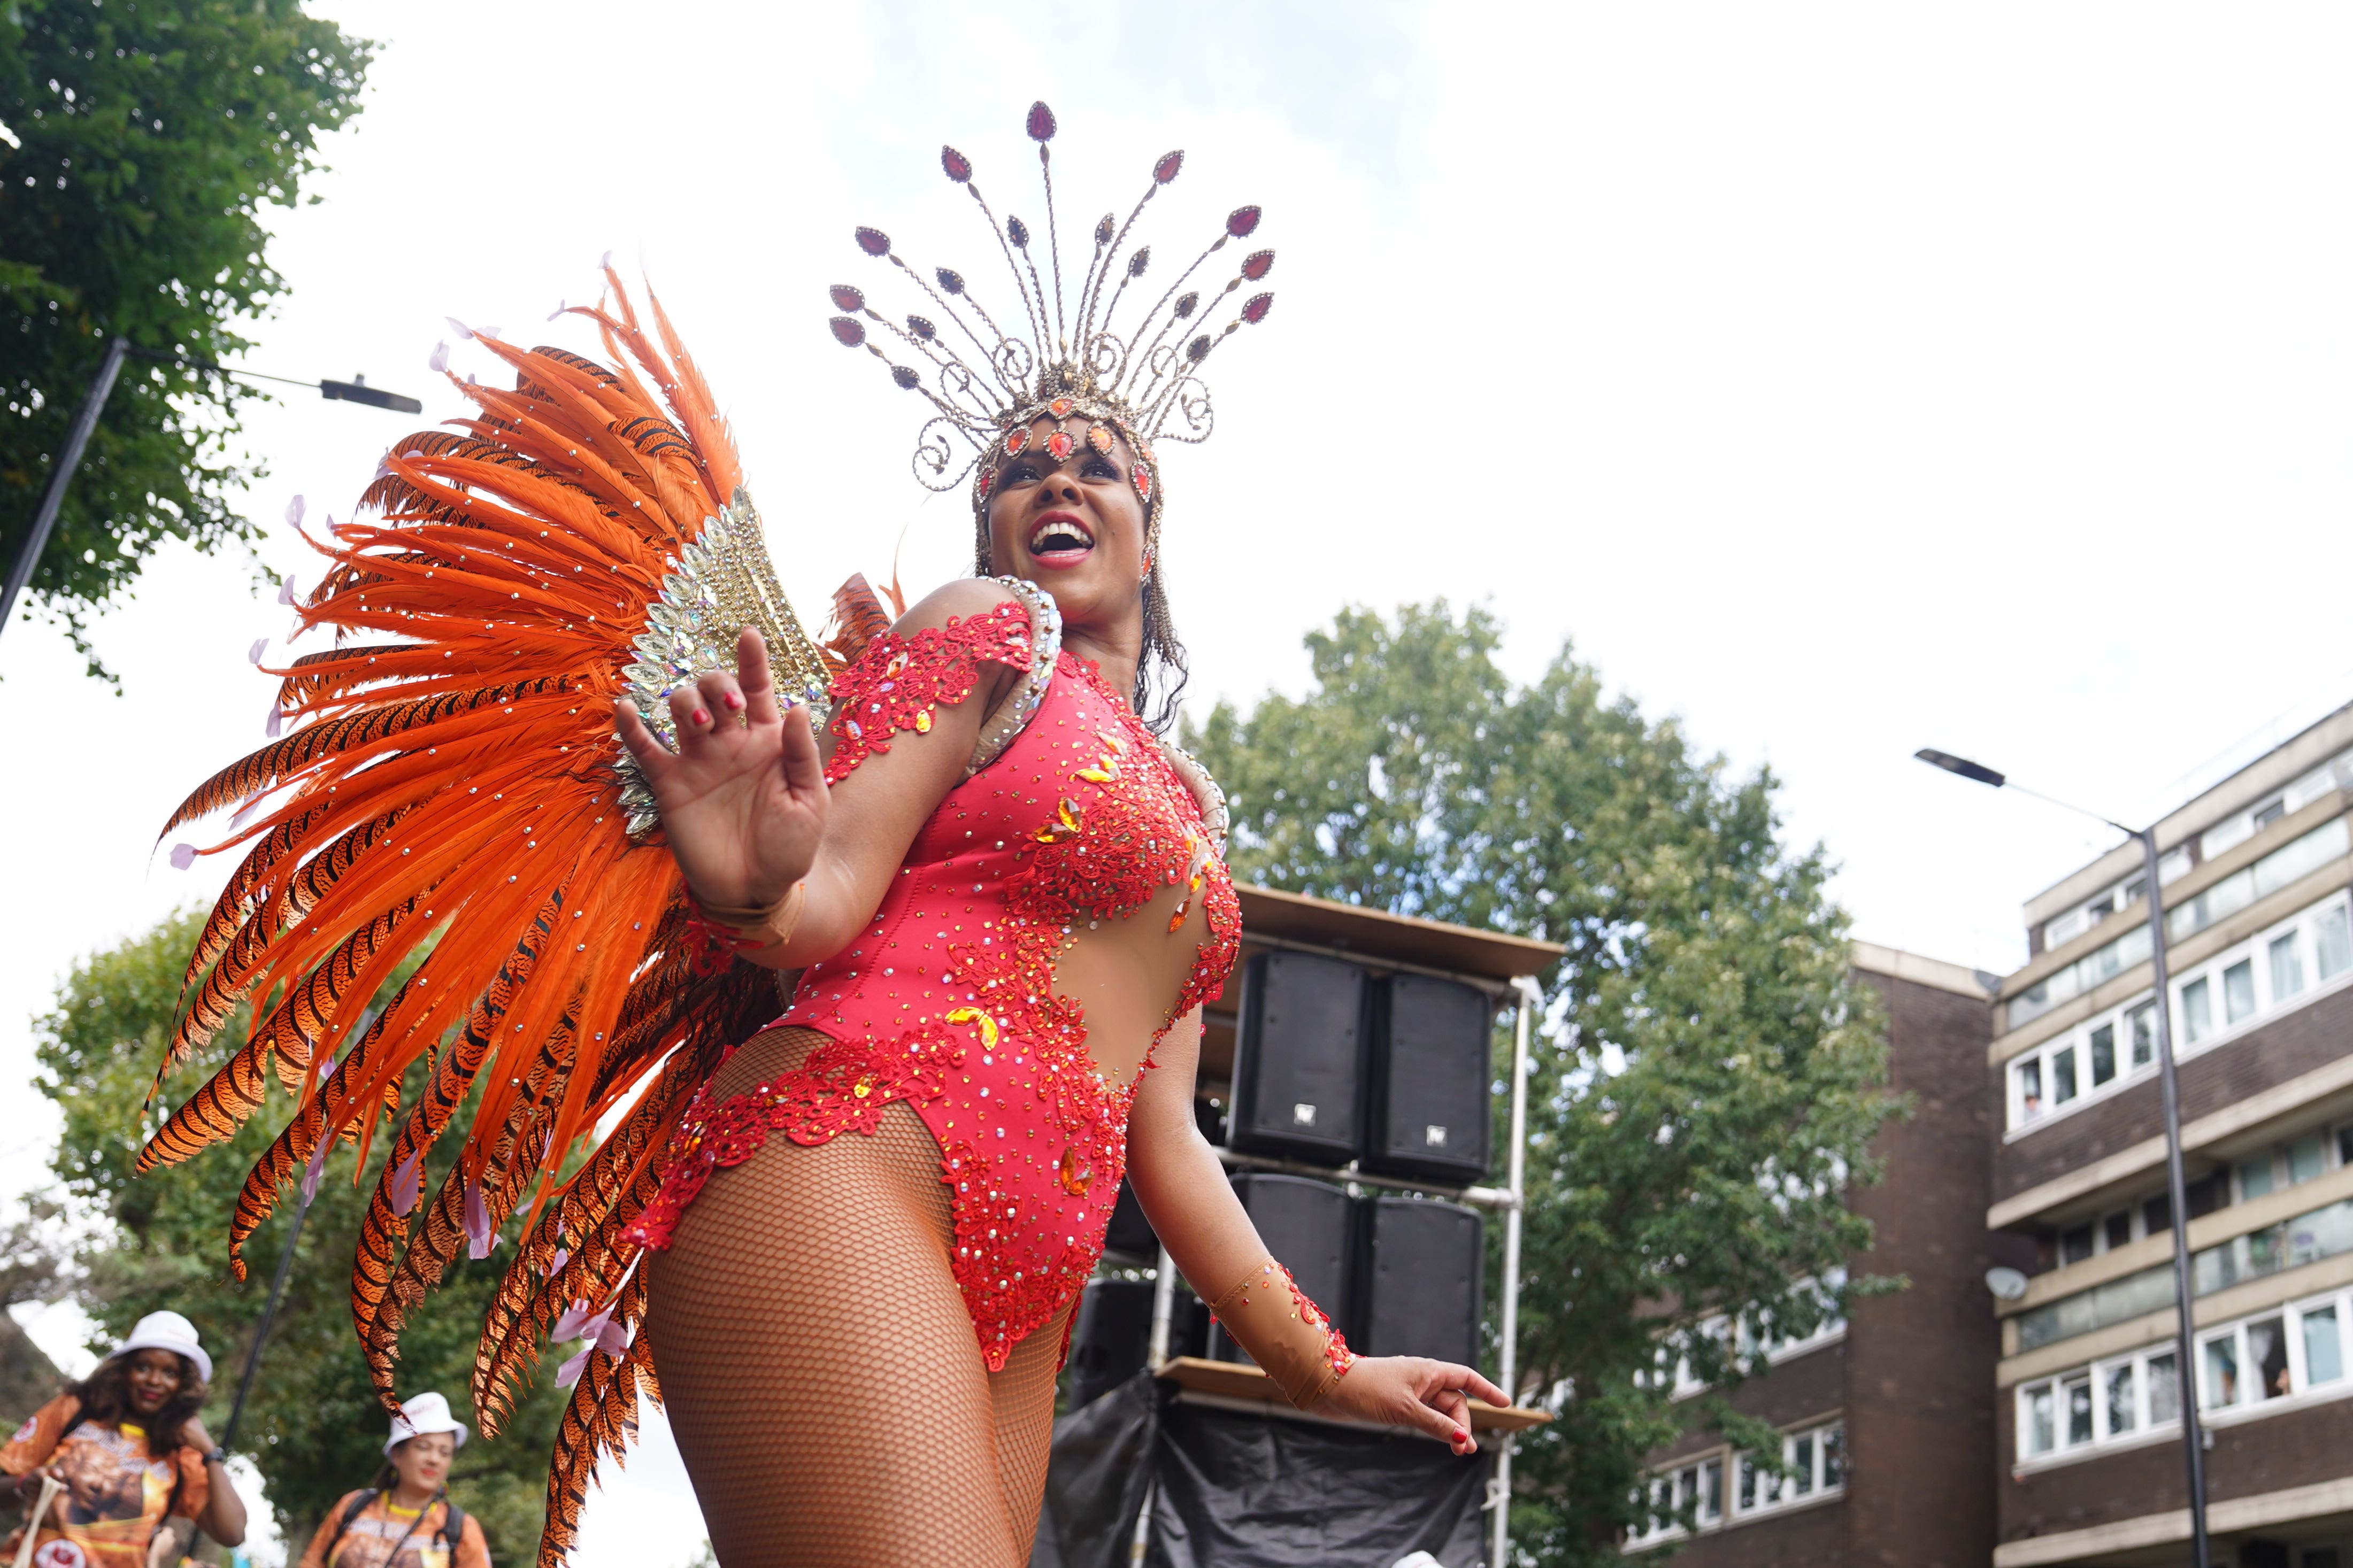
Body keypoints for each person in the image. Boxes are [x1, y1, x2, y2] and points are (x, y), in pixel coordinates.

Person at [137, 103, 1508, 1568]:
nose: (1057, 477)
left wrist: (1322, 1363)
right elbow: (822, 900)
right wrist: (753, 876)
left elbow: (1164, 1139)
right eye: (1020, 466)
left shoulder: (1191, 813)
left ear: (1151, 533)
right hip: (851, 1155)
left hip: (1029, 1287)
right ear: (991, 523)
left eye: (1097, 465)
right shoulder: (990, 636)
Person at [2, 1312, 247, 1568]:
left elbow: (232, 1533)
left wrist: (210, 1452)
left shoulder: (181, 1453)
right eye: (143, 1367)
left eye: (170, 1373)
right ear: (124, 1370)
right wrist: (23, 1484)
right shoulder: (75, 1411)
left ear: (184, 1385)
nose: (154, 1380)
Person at [297, 1394, 488, 1568]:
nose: (434, 1459)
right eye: (423, 1447)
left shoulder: (460, 1528)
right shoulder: (353, 1507)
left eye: (445, 1452)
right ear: (397, 1454)